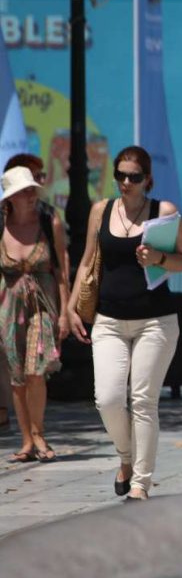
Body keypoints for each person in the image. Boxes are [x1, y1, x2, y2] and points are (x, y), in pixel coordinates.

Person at [68, 146, 182, 500]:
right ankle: (126, 457)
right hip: (108, 320)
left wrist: (159, 257)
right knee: (106, 399)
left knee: (142, 400)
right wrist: (73, 308)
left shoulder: (162, 212)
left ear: (147, 179)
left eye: (134, 177)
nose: (126, 182)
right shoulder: (100, 210)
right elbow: (87, 262)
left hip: (155, 320)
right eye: (120, 175)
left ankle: (140, 482)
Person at [1, 167, 68, 462]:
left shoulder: (49, 219)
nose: (31, 195)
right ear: (11, 197)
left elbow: (62, 270)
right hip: (9, 308)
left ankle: (39, 433)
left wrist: (66, 313)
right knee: (16, 376)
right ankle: (26, 439)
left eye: (32, 189)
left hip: (43, 305)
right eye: (24, 191)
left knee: (36, 371)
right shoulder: (0, 223)